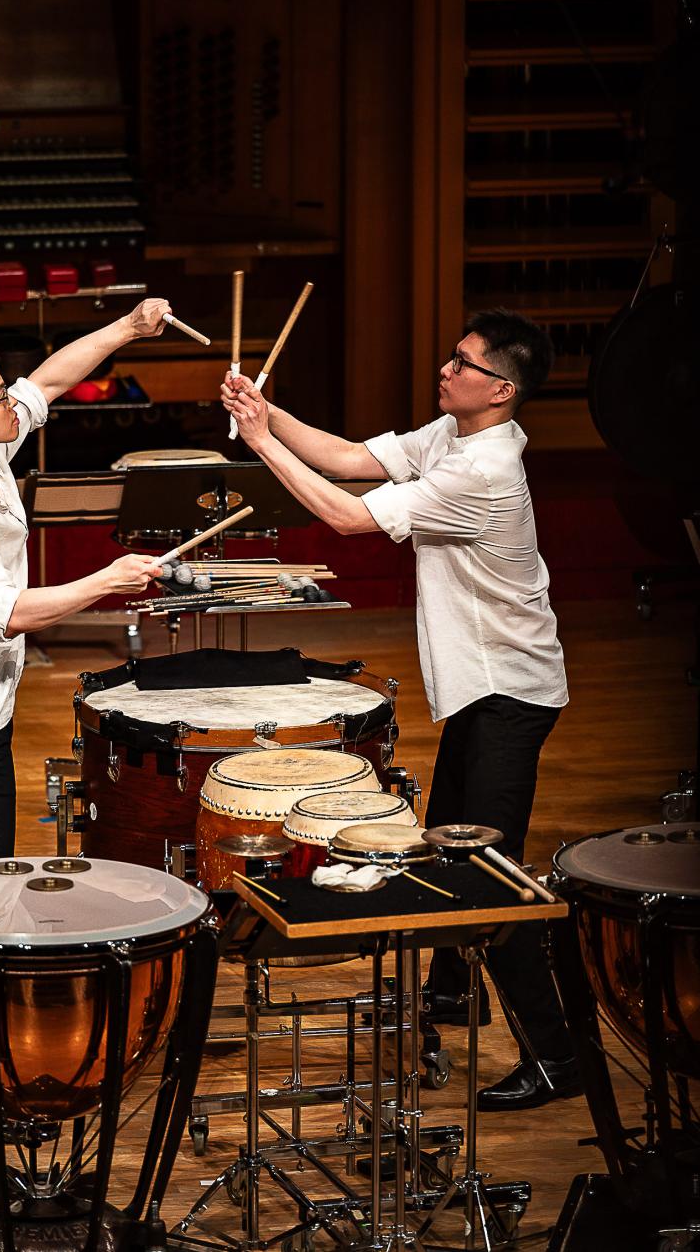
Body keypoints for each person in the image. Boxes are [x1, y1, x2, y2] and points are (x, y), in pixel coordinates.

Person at [221, 308, 580, 1112]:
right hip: (485, 688)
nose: (445, 369)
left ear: (501, 388)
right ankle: (455, 990)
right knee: (448, 835)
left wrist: (260, 441)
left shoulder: (485, 471)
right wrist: (267, 407)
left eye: (463, 362)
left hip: (511, 692)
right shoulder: (453, 435)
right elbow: (351, 460)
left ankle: (559, 1055)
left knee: (493, 873)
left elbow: (351, 517)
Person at [0, 297, 169, 873]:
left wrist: (128, 327)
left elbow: (48, 381)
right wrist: (108, 579)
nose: (13, 401)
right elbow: (11, 613)